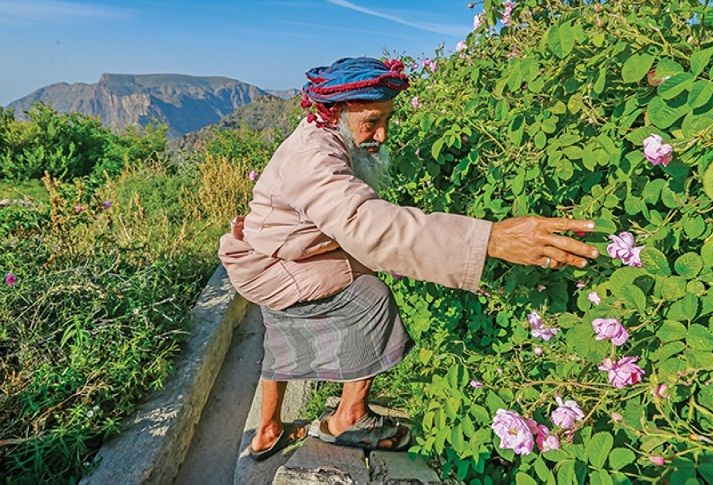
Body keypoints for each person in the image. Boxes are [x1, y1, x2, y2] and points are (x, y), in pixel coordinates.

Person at [218, 57, 598, 459]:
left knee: (280, 339)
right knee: (370, 300)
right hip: (277, 267)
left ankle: (267, 429)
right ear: (336, 112)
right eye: (371, 122)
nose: (381, 134)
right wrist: (490, 239)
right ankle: (349, 416)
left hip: (271, 257)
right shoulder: (313, 158)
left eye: (387, 120)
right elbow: (365, 222)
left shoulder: (320, 130)